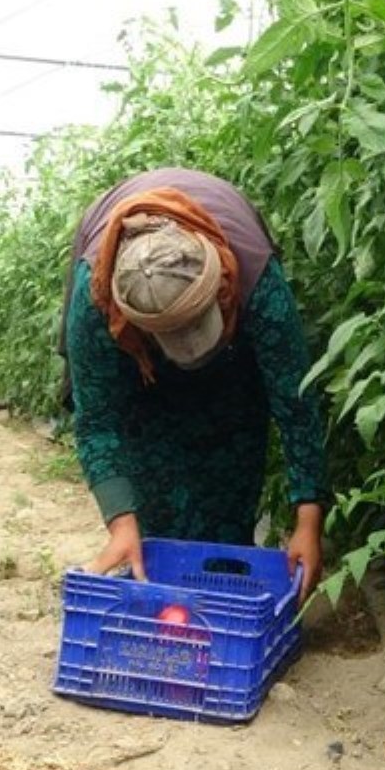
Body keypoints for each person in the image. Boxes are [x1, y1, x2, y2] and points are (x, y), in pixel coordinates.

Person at [58, 168, 327, 598]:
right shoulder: (96, 304)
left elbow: (294, 400)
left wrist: (308, 522)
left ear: (219, 284)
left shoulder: (256, 279)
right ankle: (159, 574)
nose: (187, 346)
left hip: (231, 361)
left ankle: (223, 576)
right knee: (149, 468)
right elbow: (99, 422)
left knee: (234, 452)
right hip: (141, 365)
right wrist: (122, 524)